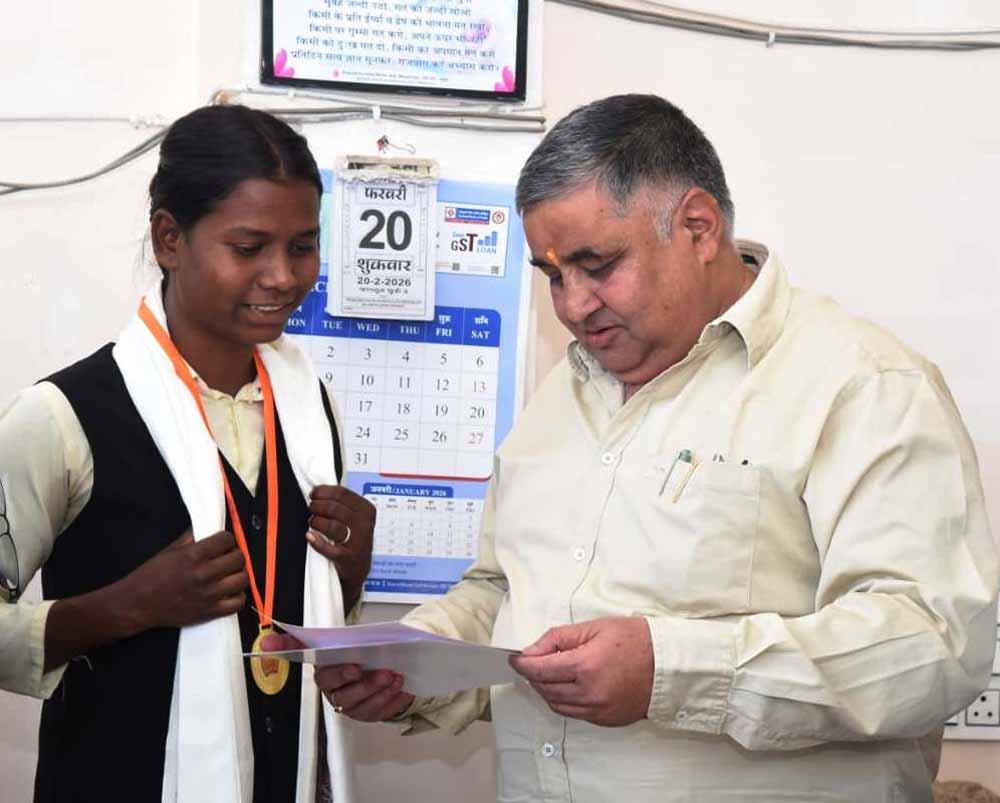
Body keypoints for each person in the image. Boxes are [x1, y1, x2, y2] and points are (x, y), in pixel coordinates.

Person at [308, 94, 999, 802]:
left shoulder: (861, 384)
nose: (572, 305)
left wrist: (673, 672)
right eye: (553, 276)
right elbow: (504, 592)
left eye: (598, 264)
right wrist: (414, 665)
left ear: (698, 227)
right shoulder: (562, 394)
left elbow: (933, 644)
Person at [0, 104, 373, 803]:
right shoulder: (61, 416)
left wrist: (349, 574)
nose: (282, 276)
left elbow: (290, 620)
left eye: (302, 246)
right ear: (169, 239)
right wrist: (123, 608)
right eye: (249, 247)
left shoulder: (311, 410)